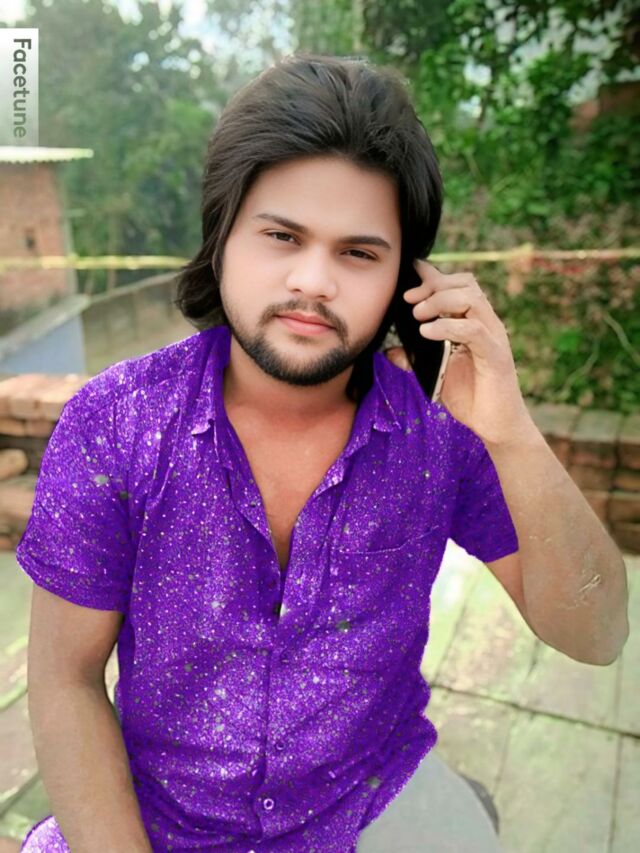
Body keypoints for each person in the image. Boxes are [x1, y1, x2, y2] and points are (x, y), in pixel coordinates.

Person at [16, 52, 516, 852]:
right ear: (223, 235)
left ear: (404, 278)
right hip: (159, 815)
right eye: (282, 235)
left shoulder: (436, 434)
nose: (313, 280)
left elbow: (594, 634)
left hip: (370, 792)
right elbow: (66, 678)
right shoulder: (116, 425)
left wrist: (512, 427)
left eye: (359, 252)